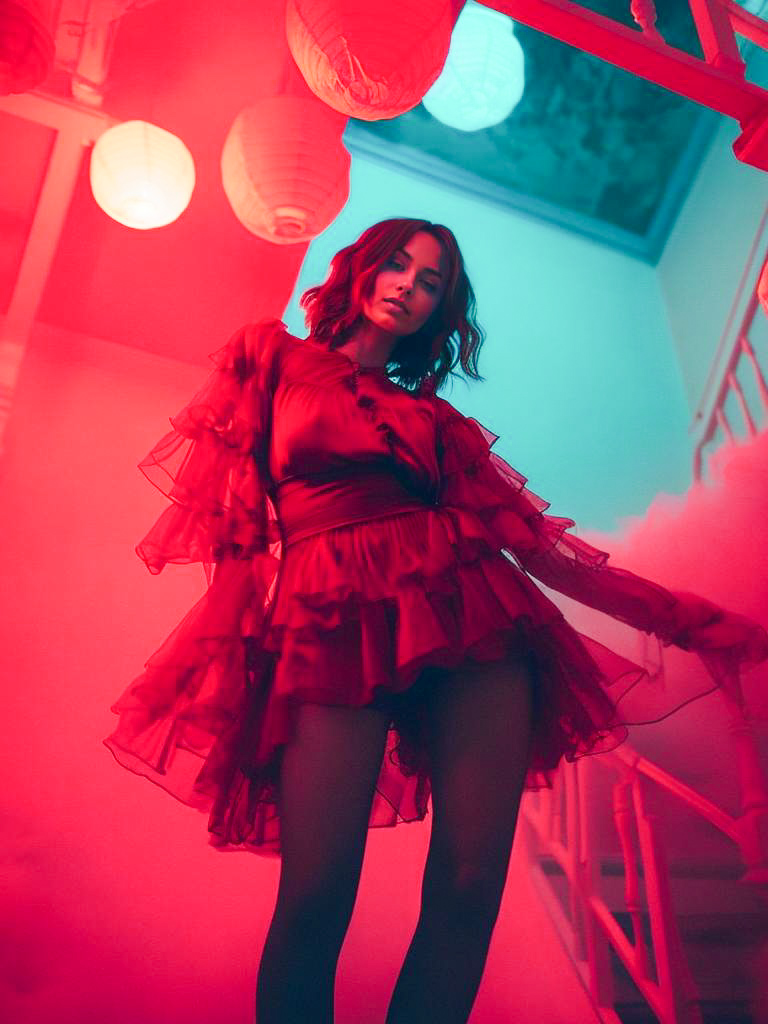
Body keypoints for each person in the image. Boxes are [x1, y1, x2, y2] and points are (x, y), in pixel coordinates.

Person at [104, 217, 768, 1024]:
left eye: (430, 284)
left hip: (470, 618)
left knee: (466, 889)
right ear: (360, 268)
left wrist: (685, 619)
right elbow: (237, 530)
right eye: (398, 266)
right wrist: (237, 650)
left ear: (441, 310)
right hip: (325, 622)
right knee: (315, 896)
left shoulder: (437, 424)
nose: (409, 289)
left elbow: (543, 553)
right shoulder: (268, 357)